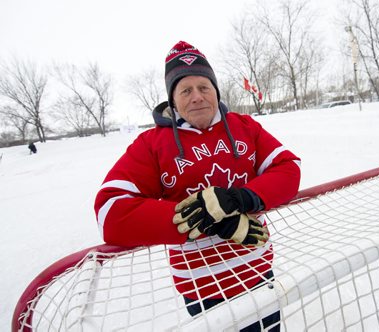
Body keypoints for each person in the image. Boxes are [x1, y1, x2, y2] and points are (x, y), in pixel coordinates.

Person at [94, 41, 301, 331]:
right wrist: (206, 220)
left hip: (258, 272)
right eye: (186, 90)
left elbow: (289, 169)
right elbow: (110, 211)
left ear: (216, 90)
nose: (197, 97)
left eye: (204, 87)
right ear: (173, 100)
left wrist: (241, 198)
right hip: (204, 289)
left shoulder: (245, 126)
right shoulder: (151, 144)